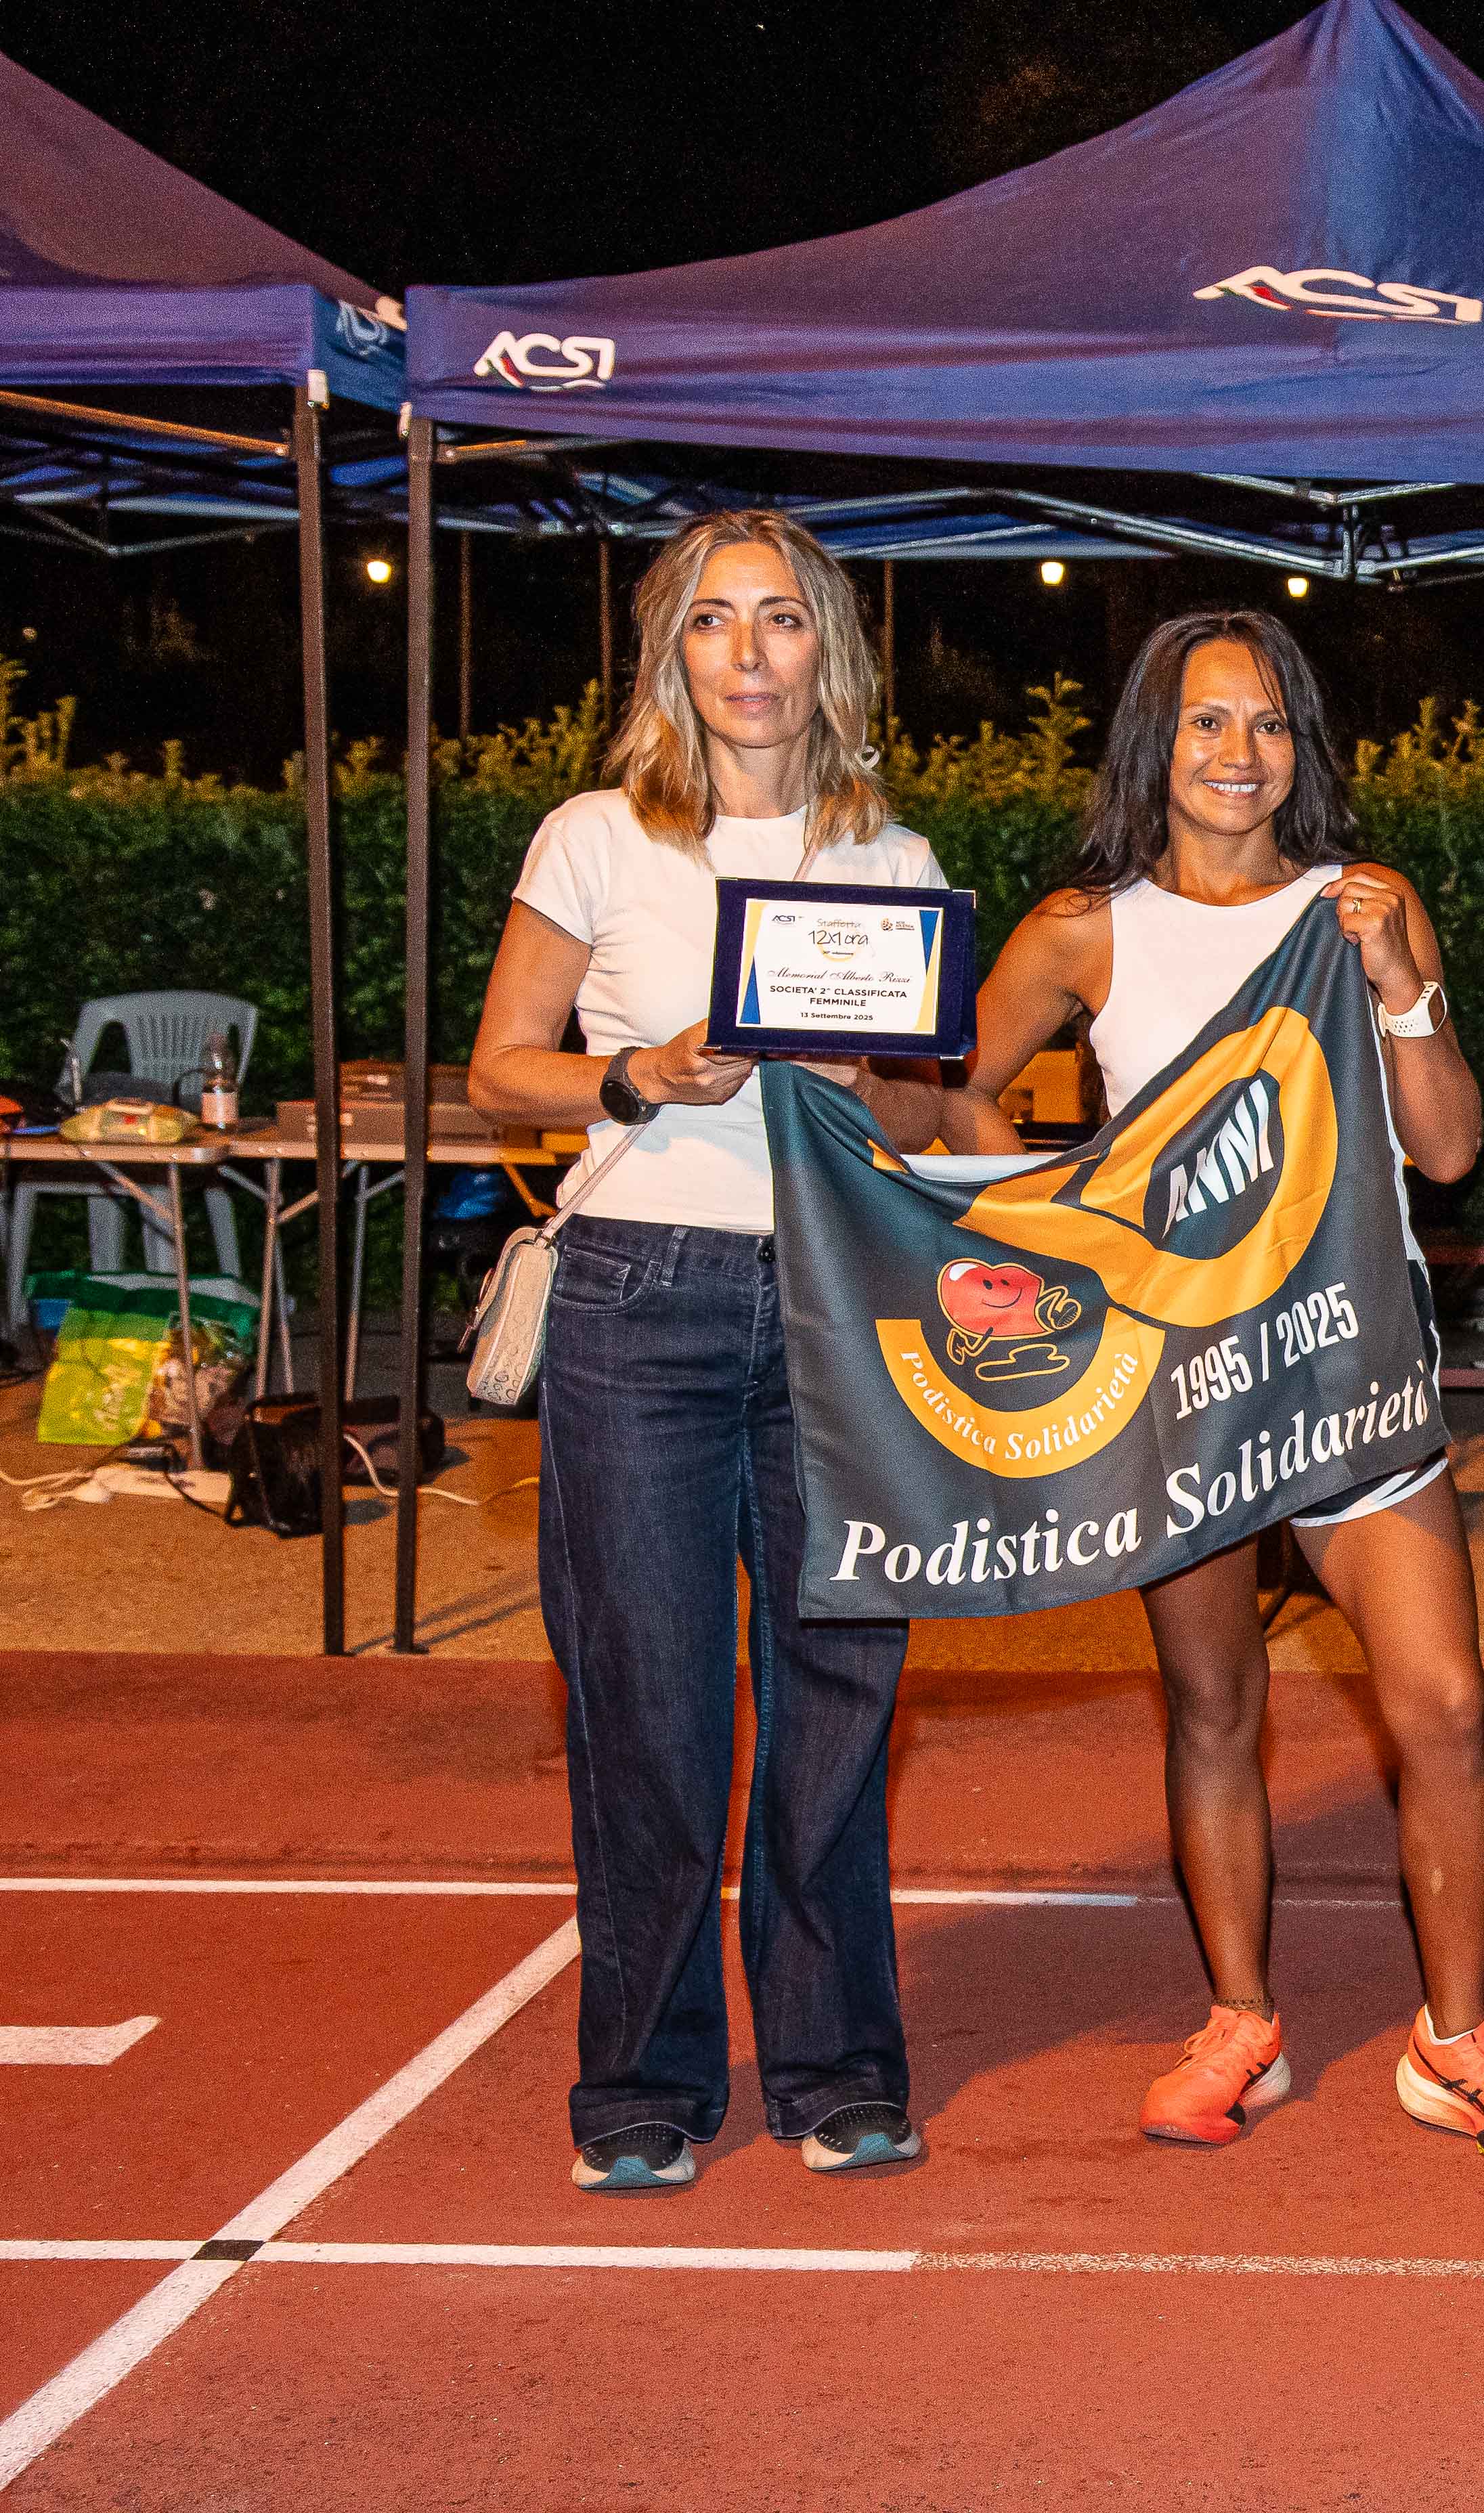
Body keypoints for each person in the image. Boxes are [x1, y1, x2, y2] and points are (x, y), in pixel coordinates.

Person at [941, 611, 1484, 2173]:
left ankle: (1456, 2038)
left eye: (1271, 723)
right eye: (1208, 722)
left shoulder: (1362, 904)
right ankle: (1241, 2017)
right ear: (1154, 743)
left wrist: (1401, 985)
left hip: (1350, 1366)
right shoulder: (1082, 932)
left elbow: (1448, 1149)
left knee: (1445, 1705)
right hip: (1181, 1381)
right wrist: (1054, 1225)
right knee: (1215, 1704)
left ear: (1304, 746)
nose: (1241, 753)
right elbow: (954, 1083)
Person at [467, 511, 953, 2191]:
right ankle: (642, 2081)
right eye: (712, 620)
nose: (750, 653)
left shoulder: (895, 859)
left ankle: (837, 2064)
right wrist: (640, 1075)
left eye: (783, 619)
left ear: (833, 650)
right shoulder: (595, 836)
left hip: (838, 1298)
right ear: (669, 652)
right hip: (637, 1300)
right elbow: (500, 1068)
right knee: (648, 1708)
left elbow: (937, 1112)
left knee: (837, 1699)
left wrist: (874, 1080)